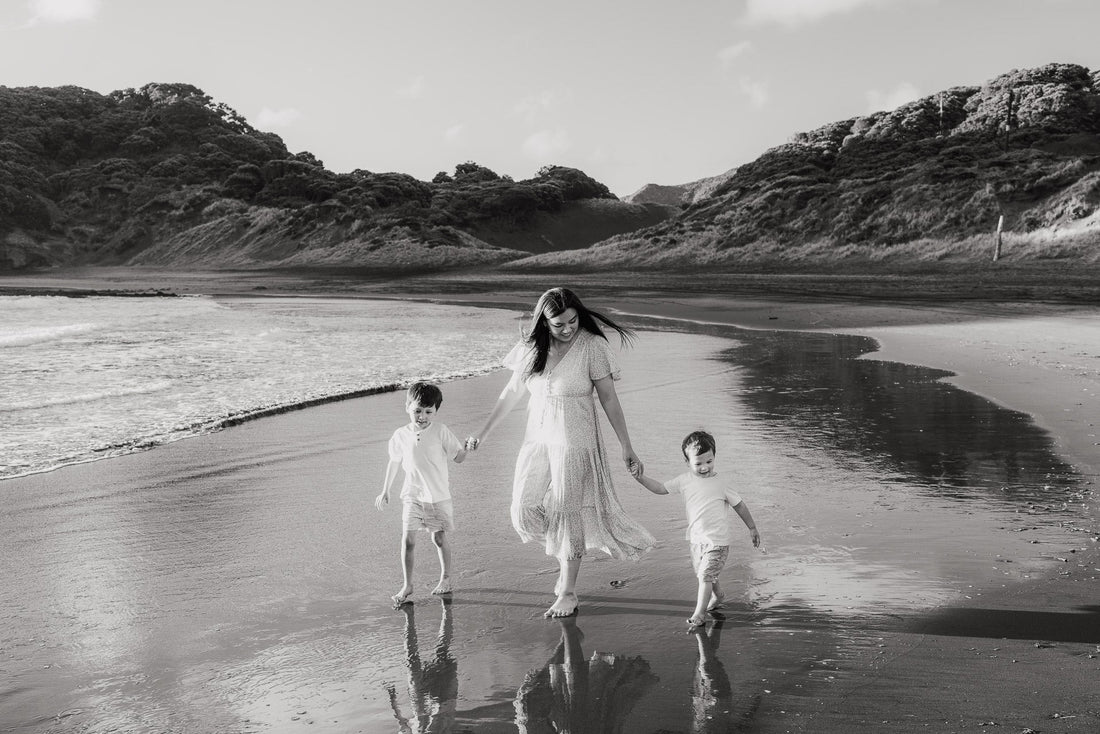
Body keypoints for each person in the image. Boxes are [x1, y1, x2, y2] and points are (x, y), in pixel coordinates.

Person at [466, 287, 655, 618]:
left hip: (576, 440)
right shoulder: (532, 348)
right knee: (523, 511)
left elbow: (609, 399)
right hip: (537, 440)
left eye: (572, 320)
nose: (568, 329)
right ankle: (568, 551)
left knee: (568, 515)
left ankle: (568, 590)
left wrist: (627, 445)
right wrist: (482, 433)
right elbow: (511, 392)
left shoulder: (592, 347)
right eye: (558, 324)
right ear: (543, 322)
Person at [632, 430, 763, 628]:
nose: (704, 468)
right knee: (705, 574)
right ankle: (718, 596)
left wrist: (752, 528)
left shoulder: (721, 483)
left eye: (709, 461)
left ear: (714, 457)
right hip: (696, 541)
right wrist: (640, 478)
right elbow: (660, 488)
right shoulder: (685, 481)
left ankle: (699, 614)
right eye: (698, 463)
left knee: (705, 575)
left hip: (717, 543)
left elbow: (740, 505)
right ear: (687, 462)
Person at [376, 382, 467, 606]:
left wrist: (467, 447)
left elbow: (458, 457)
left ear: (435, 411)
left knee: (438, 538)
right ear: (407, 406)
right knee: (407, 540)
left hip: (437, 496)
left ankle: (445, 578)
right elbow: (394, 462)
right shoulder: (401, 435)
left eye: (428, 411)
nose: (422, 416)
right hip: (412, 496)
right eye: (417, 410)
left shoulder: (440, 431)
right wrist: (385, 490)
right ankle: (407, 585)